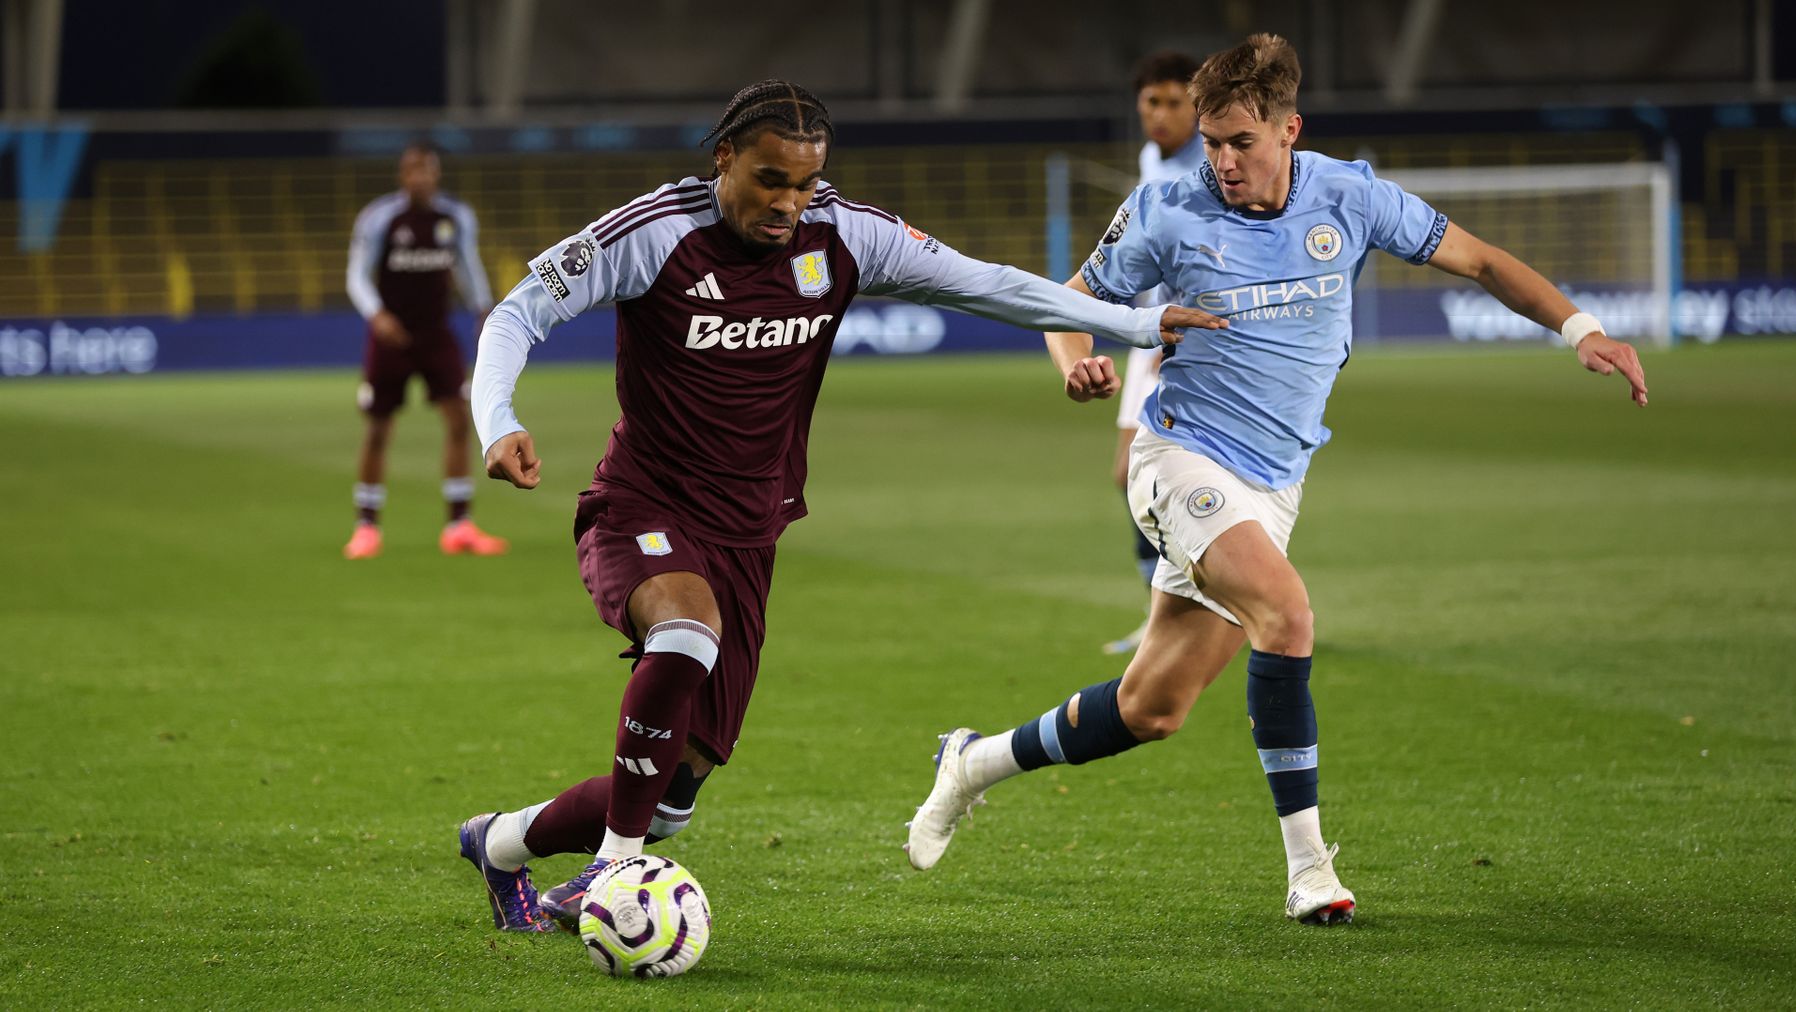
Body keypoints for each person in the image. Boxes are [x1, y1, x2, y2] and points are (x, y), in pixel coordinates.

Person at [452, 79, 1227, 937]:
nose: (788, 203)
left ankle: (504, 842)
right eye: (769, 180)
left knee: (675, 790)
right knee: (684, 633)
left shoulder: (846, 234)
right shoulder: (655, 235)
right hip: (642, 499)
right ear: (724, 161)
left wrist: (1131, 322)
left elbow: (989, 284)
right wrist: (500, 420)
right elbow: (518, 313)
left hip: (750, 529)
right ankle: (613, 870)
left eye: (805, 183)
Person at [906, 34, 1648, 926]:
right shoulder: (1166, 209)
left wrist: (1582, 330)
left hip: (1275, 482)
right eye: (1212, 141)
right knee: (1287, 613)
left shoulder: (1351, 195)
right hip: (1180, 455)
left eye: (1240, 142)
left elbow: (1484, 262)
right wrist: (1076, 360)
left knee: (1152, 708)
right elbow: (1068, 300)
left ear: (1289, 130)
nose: (1221, 161)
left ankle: (973, 762)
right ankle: (1309, 871)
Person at [343, 143, 507, 560]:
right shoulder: (381, 218)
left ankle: (459, 525)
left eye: (426, 170)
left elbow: (467, 267)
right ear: (403, 176)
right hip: (391, 336)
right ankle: (366, 527)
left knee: (458, 420)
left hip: (437, 334)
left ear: (435, 174)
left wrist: (484, 308)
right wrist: (377, 315)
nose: (419, 178)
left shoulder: (454, 218)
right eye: (412, 171)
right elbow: (357, 276)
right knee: (378, 428)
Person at [1105, 50, 1206, 655]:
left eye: (1177, 103)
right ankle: (1164, 614)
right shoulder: (1153, 159)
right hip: (1149, 335)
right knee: (1130, 477)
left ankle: (1199, 611)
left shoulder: (1210, 166)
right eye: (1153, 102)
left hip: (1181, 341)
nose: (1162, 115)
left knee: (1165, 478)